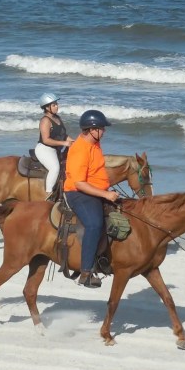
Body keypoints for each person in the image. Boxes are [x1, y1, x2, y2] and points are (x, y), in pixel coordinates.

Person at [63, 109, 119, 288]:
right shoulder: (80, 150)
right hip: (78, 193)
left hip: (94, 190)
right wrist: (105, 194)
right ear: (92, 129)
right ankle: (86, 272)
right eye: (102, 128)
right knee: (94, 224)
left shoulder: (94, 144)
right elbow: (79, 183)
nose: (104, 131)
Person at [34, 92, 75, 198]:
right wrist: (64, 143)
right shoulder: (45, 121)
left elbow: (63, 135)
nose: (57, 106)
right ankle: (49, 194)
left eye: (56, 104)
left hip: (55, 149)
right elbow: (46, 140)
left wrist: (75, 143)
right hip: (44, 149)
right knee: (55, 168)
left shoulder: (57, 118)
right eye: (54, 105)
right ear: (47, 107)